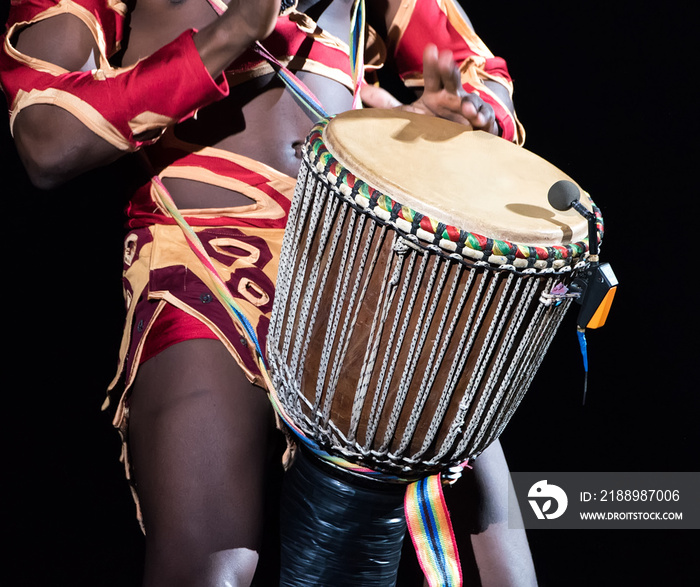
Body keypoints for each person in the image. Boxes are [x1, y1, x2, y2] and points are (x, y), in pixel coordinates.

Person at [1, 0, 535, 585]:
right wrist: (235, 30)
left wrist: (459, 121)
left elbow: (483, 80)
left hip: (358, 258)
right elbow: (46, 137)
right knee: (207, 569)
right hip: (201, 258)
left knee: (489, 534)